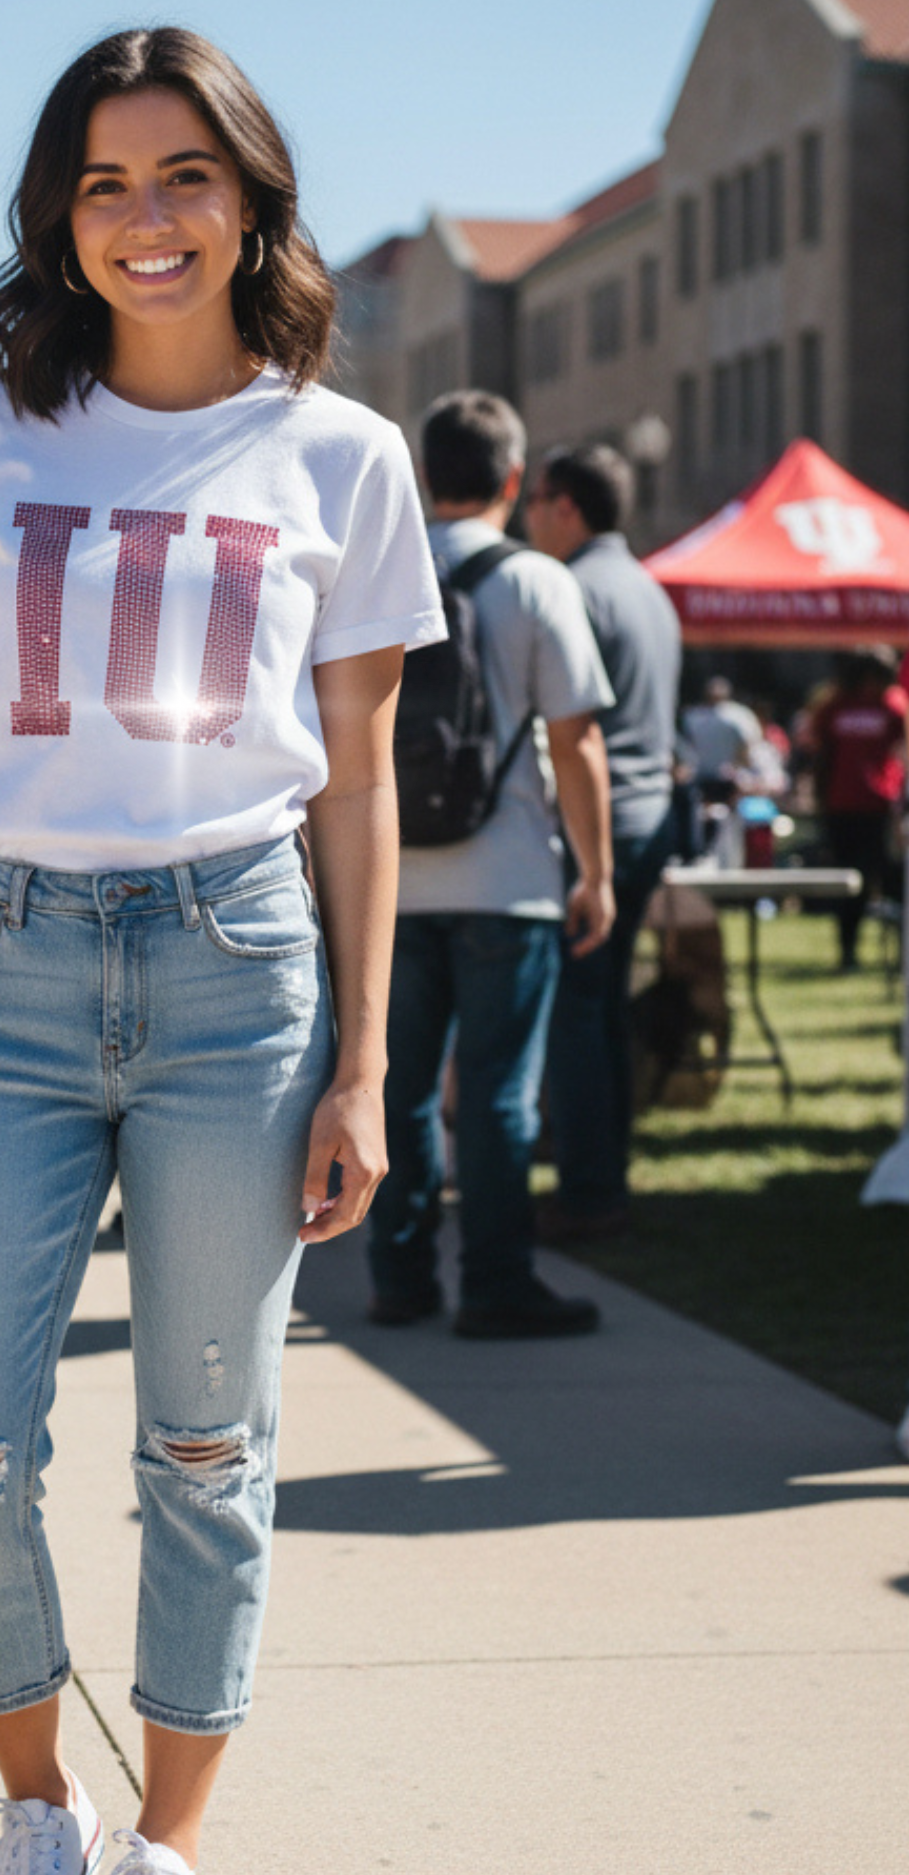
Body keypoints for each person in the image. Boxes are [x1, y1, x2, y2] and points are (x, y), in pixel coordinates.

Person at [0, 30, 443, 1875]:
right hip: (0, 973)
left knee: (207, 1445)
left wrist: (362, 1060)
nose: (144, 218)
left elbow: (354, 781)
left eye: (181, 175)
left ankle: (165, 1853)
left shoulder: (341, 458)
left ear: (250, 197)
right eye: (101, 185)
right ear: (58, 219)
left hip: (235, 973)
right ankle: (36, 1801)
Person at [365, 391, 615, 1339]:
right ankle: (496, 1279)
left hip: (391, 882)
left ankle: (399, 1275)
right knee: (499, 1091)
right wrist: (591, 873)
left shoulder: (382, 573)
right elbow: (578, 739)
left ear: (426, 477)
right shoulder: (535, 582)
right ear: (514, 479)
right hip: (508, 879)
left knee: (398, 1085)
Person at [526, 443, 683, 1241]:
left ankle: (588, 1191)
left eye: (534, 501)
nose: (526, 518)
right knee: (603, 1005)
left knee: (578, 1013)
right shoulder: (647, 586)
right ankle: (603, 1176)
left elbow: (567, 726)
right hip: (647, 815)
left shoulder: (572, 588)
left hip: (597, 821)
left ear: (566, 507)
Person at [806, 648, 908, 970]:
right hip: (842, 806)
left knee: (892, 879)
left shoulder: (893, 704)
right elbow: (820, 751)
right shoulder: (835, 705)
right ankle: (847, 952)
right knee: (850, 882)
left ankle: (900, 957)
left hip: (881, 807)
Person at [682, 674, 761, 804]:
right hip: (715, 776)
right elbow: (750, 744)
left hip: (718, 777)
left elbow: (750, 744)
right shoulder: (739, 716)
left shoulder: (693, 716)